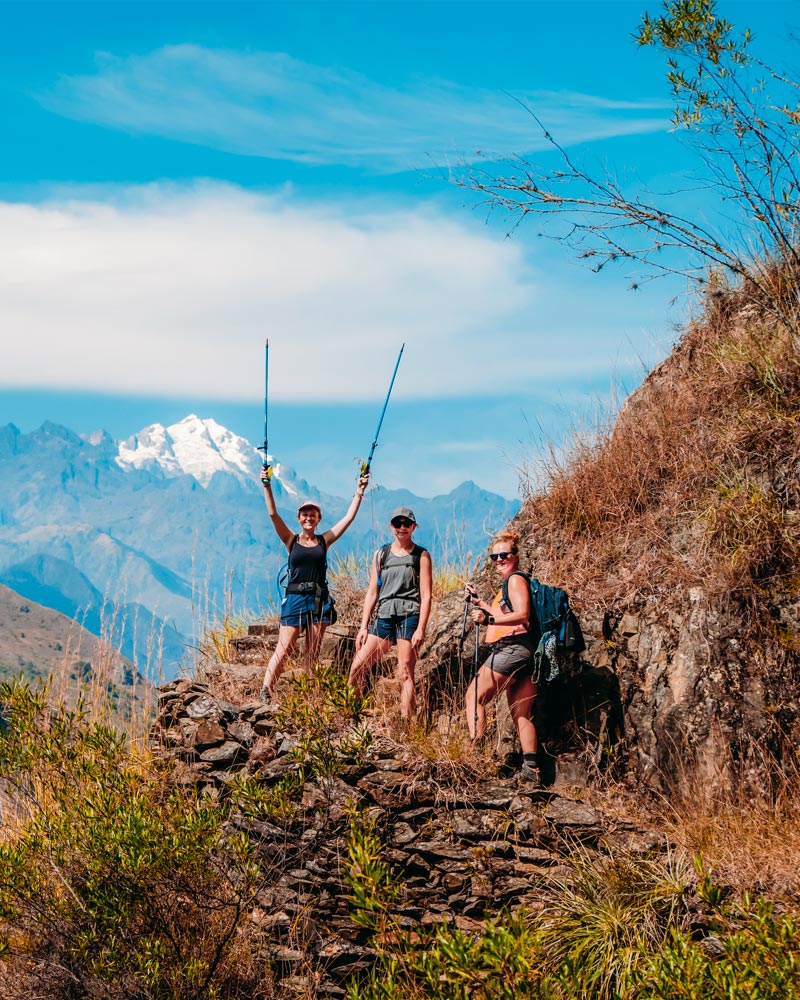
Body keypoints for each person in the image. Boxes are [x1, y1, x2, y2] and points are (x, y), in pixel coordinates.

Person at [259, 468, 369, 700]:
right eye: (305, 514)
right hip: (296, 598)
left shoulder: (324, 540)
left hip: (319, 599)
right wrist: (267, 485)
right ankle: (267, 688)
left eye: (313, 514)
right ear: (299, 518)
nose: (308, 517)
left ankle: (308, 694)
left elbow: (348, 519)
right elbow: (272, 514)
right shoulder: (291, 540)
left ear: (318, 519)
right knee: (285, 646)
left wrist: (359, 491)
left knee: (313, 651)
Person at [464, 529, 540, 784]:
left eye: (503, 554)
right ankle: (531, 770)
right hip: (528, 651)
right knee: (521, 712)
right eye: (493, 556)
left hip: (513, 648)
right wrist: (480, 603)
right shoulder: (514, 582)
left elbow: (522, 615)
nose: (498, 559)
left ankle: (476, 758)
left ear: (516, 556)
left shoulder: (515, 580)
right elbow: (507, 613)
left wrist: (489, 619)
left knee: (474, 696)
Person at [347, 507, 432, 720]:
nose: (402, 527)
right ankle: (351, 713)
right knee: (357, 666)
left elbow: (426, 594)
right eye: (397, 523)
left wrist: (421, 628)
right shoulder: (381, 554)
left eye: (406, 524)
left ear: (413, 527)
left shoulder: (421, 555)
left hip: (408, 615)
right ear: (391, 526)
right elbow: (372, 592)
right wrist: (363, 626)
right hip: (384, 615)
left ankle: (406, 723)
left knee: (405, 672)